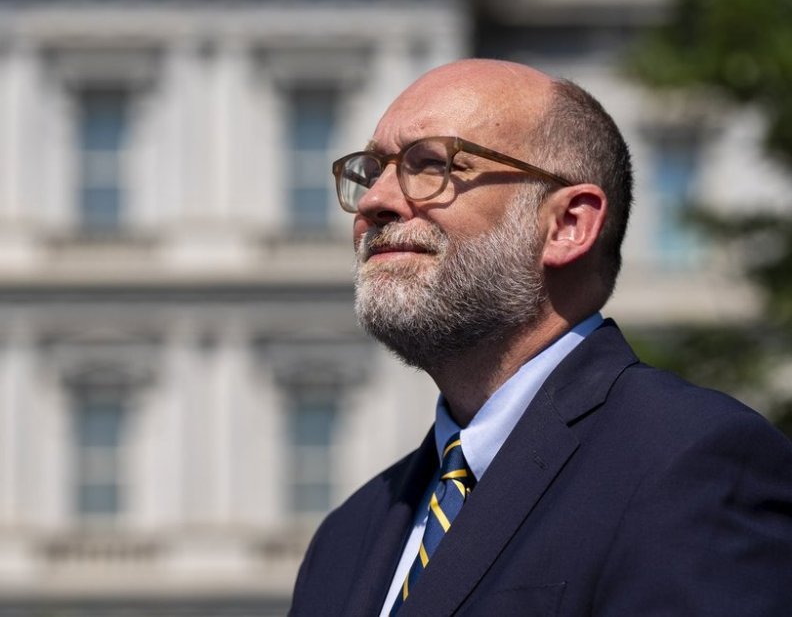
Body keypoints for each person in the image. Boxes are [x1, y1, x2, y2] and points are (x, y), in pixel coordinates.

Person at [289, 59, 792, 616]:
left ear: (568, 224)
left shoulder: (691, 463)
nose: (373, 202)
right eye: (370, 172)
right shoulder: (345, 540)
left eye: (430, 164)